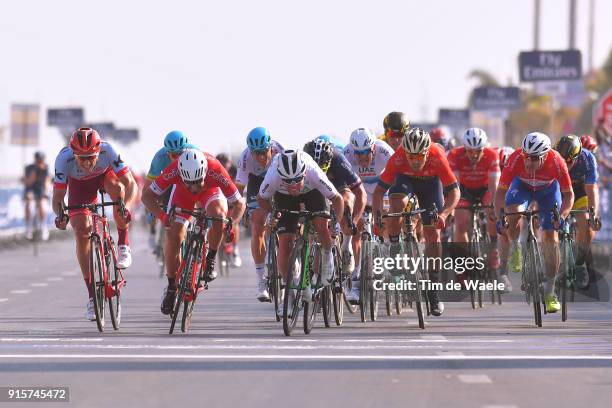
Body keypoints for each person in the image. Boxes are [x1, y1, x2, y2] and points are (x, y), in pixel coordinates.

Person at [141, 149, 246, 315]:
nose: (194, 187)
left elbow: (240, 204)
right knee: (173, 234)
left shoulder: (215, 169)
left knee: (219, 217)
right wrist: (162, 216)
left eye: (198, 182)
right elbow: (147, 197)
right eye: (189, 182)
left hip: (210, 193)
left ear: (204, 172)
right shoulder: (173, 169)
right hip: (182, 195)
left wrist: (232, 224)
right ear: (181, 174)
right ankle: (171, 287)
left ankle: (210, 259)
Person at [373, 128, 460, 316]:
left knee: (432, 234)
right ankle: (396, 246)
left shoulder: (438, 156)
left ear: (427, 152)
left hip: (431, 186)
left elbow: (454, 192)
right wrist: (377, 218)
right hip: (405, 182)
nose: (414, 161)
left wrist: (444, 215)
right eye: (411, 156)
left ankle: (434, 293)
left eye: (419, 156)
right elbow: (379, 192)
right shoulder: (397, 158)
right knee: (397, 205)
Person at [52, 127, 137, 320]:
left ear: (99, 152)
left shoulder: (109, 151)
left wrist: (128, 208)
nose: (87, 162)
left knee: (118, 189)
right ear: (73, 155)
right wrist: (61, 215)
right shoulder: (63, 160)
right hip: (79, 187)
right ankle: (92, 295)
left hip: (104, 177)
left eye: (91, 156)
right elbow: (57, 198)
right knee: (82, 232)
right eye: (82, 158)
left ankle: (123, 243)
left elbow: (131, 183)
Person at [494, 132, 574, 313]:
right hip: (522, 187)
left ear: (545, 156)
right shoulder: (515, 158)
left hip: (547, 191)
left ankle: (550, 292)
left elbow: (569, 195)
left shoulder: (557, 162)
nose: (528, 162)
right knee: (512, 211)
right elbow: (500, 193)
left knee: (551, 239)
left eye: (534, 158)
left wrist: (561, 217)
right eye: (526, 157)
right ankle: (516, 246)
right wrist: (501, 218)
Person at [256, 150, 344, 300]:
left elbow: (337, 199)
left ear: (304, 174)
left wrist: (336, 223)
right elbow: (261, 198)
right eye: (288, 181)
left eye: (296, 180)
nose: (293, 185)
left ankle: (327, 255)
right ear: (281, 176)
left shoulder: (313, 172)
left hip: (313, 191)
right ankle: (289, 293)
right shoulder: (274, 176)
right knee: (285, 242)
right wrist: (271, 213)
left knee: (321, 225)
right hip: (284, 197)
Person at [342, 128, 394, 302]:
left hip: (382, 190)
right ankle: (357, 280)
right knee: (356, 231)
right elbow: (343, 185)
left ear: (373, 149)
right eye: (359, 155)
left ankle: (388, 254)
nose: (362, 159)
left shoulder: (385, 150)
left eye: (366, 154)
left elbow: (399, 176)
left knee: (386, 222)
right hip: (361, 190)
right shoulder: (347, 153)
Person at [447, 128, 503, 288]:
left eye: (477, 151)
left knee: (492, 213)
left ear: (483, 148)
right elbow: (455, 185)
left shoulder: (492, 155)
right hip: (463, 190)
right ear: (464, 148)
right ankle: (462, 268)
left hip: (485, 189)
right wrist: (452, 207)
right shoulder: (454, 156)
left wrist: (493, 206)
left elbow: (494, 186)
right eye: (470, 151)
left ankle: (493, 252)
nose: (473, 155)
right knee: (462, 223)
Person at [304, 136, 366, 277]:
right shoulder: (303, 163)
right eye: (316, 166)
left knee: (347, 200)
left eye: (323, 167)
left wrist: (353, 222)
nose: (320, 171)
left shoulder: (339, 161)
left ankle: (346, 247)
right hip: (314, 187)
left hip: (337, 183)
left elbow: (361, 193)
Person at [234, 127, 284, 301]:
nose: (261, 157)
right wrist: (240, 211)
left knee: (287, 219)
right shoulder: (246, 158)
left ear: (270, 147)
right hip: (256, 182)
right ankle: (261, 281)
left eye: (264, 152)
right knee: (257, 225)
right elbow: (238, 190)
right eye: (257, 153)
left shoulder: (281, 152)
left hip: (279, 180)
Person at [554, 134, 601, 288]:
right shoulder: (552, 156)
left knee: (586, 224)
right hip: (560, 191)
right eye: (562, 160)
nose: (565, 165)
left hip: (580, 192)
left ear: (577, 156)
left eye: (568, 161)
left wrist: (593, 215)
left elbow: (592, 190)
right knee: (550, 222)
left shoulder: (587, 159)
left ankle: (580, 265)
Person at [144, 131, 199, 249]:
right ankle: (153, 232)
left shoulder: (195, 153)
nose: (178, 158)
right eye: (174, 155)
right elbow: (147, 189)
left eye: (181, 154)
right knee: (160, 202)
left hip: (189, 182)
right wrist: (151, 211)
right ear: (167, 153)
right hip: (169, 182)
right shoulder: (159, 158)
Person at [216, 153, 241, 267]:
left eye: (226, 165)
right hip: (219, 195)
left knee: (233, 221)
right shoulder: (216, 169)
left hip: (231, 194)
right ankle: (221, 247)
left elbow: (238, 187)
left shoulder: (235, 170)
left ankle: (235, 250)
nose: (225, 167)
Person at [23, 151, 50, 240]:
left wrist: (46, 192)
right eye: (38, 161)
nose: (40, 163)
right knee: (28, 205)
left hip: (41, 189)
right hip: (31, 189)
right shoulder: (29, 168)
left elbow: (47, 180)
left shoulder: (45, 167)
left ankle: (43, 227)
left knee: (42, 204)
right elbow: (28, 182)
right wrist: (34, 173)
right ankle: (28, 228)